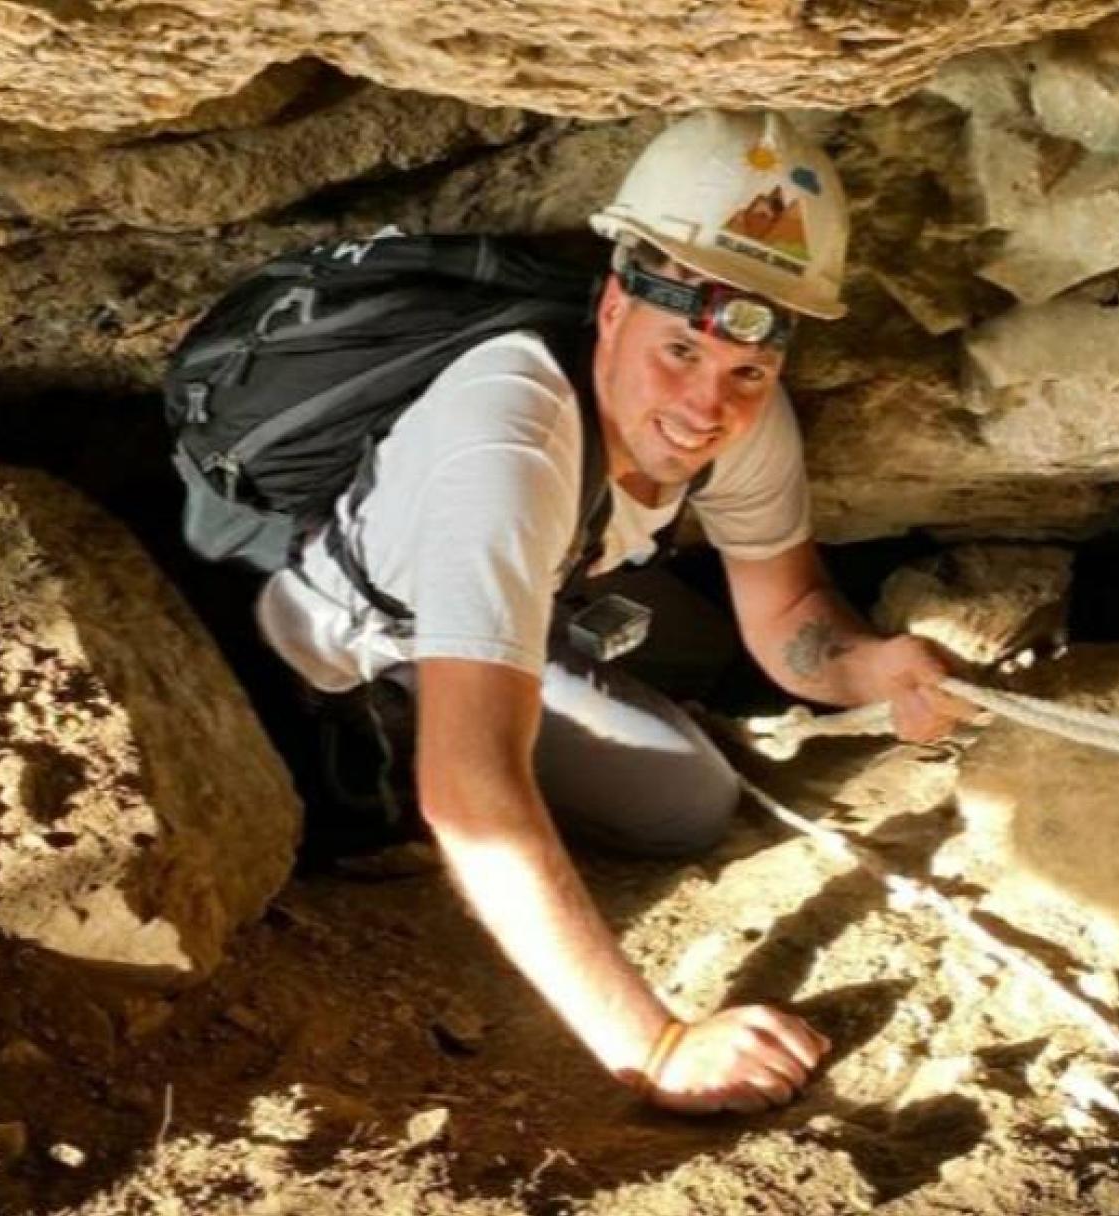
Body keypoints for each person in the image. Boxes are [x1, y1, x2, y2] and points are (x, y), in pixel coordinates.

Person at [252, 111, 969, 1115]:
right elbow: (469, 787)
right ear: (615, 308)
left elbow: (794, 611)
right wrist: (658, 1044)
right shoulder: (503, 444)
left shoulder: (736, 413)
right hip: (366, 657)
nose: (706, 404)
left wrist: (873, 668)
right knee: (686, 801)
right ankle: (383, 754)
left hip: (542, 599)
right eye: (680, 349)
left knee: (705, 651)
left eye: (747, 372)